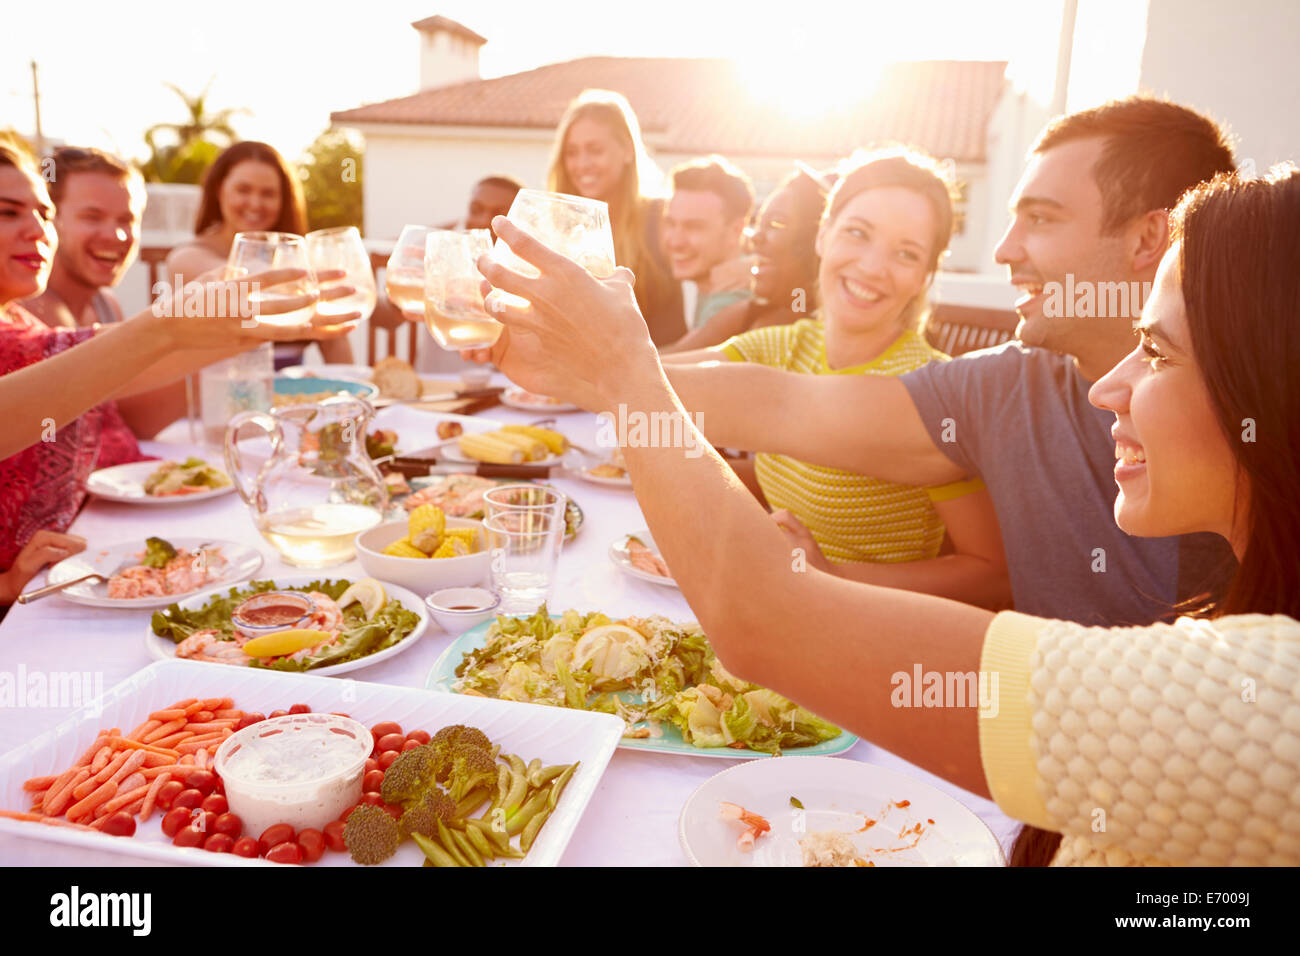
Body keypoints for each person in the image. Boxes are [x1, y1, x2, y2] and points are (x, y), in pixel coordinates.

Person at [474, 159, 1300, 866]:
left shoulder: (1259, 698)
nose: (1108, 389)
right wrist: (594, 367)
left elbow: (765, 618)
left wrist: (623, 371)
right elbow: (778, 405)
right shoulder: (1241, 645)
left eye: (1154, 352)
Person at [658, 97, 1240, 626]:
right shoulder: (1005, 384)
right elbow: (784, 407)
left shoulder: (1246, 418)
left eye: (1040, 219)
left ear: (1147, 241)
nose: (1003, 250)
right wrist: (597, 360)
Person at [0, 135, 353, 605]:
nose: (39, 230)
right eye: (8, 212)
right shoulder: (31, 326)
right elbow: (75, 363)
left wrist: (255, 329)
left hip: (76, 559)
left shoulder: (18, 319)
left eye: (43, 213)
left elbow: (102, 373)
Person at [663, 148, 1010, 608]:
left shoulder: (935, 389)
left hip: (870, 630)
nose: (871, 267)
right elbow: (648, 377)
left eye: (906, 253)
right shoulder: (784, 346)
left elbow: (991, 576)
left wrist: (830, 575)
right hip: (772, 601)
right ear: (823, 235)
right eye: (857, 233)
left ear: (924, 277)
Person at [165, 140, 355, 365]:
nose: (255, 203)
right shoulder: (188, 257)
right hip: (225, 393)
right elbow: (241, 284)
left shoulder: (293, 257)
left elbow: (335, 333)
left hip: (294, 396)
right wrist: (311, 288)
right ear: (219, 190)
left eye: (268, 194)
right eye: (243, 190)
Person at [547, 89, 683, 345]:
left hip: (659, 373)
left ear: (627, 151)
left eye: (595, 150)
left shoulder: (660, 216)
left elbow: (722, 250)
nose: (582, 163)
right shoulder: (560, 228)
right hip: (584, 379)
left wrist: (745, 267)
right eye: (572, 153)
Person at [661, 165, 827, 354]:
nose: (756, 237)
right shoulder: (743, 312)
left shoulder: (739, 301)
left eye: (777, 223)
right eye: (759, 224)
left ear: (820, 239)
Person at [23, 146, 145, 329]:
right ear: (48, 219)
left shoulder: (106, 306)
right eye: (92, 217)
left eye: (126, 220)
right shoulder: (22, 314)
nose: (115, 235)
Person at [660, 156, 754, 333]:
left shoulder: (731, 300)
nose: (675, 241)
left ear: (735, 230)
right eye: (671, 223)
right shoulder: (707, 280)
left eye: (694, 227)